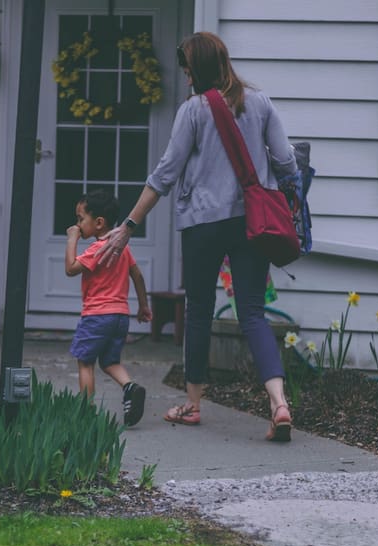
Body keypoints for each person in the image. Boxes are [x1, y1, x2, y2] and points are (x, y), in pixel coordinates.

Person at [96, 32, 296, 442]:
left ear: (199, 69)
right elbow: (287, 161)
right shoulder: (260, 102)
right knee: (253, 312)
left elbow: (165, 175)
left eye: (188, 70)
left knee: (200, 311)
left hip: (203, 224)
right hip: (251, 223)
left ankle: (193, 405)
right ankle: (278, 402)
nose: (186, 78)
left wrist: (129, 225)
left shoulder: (193, 111)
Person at [65, 189, 152, 426]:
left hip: (96, 316)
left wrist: (72, 238)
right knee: (110, 362)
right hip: (120, 316)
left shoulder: (97, 249)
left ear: (99, 223)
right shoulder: (121, 246)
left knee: (85, 362)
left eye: (81, 219)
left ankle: (86, 411)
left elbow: (71, 268)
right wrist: (144, 306)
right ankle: (130, 387)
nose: (78, 224)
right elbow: (137, 274)